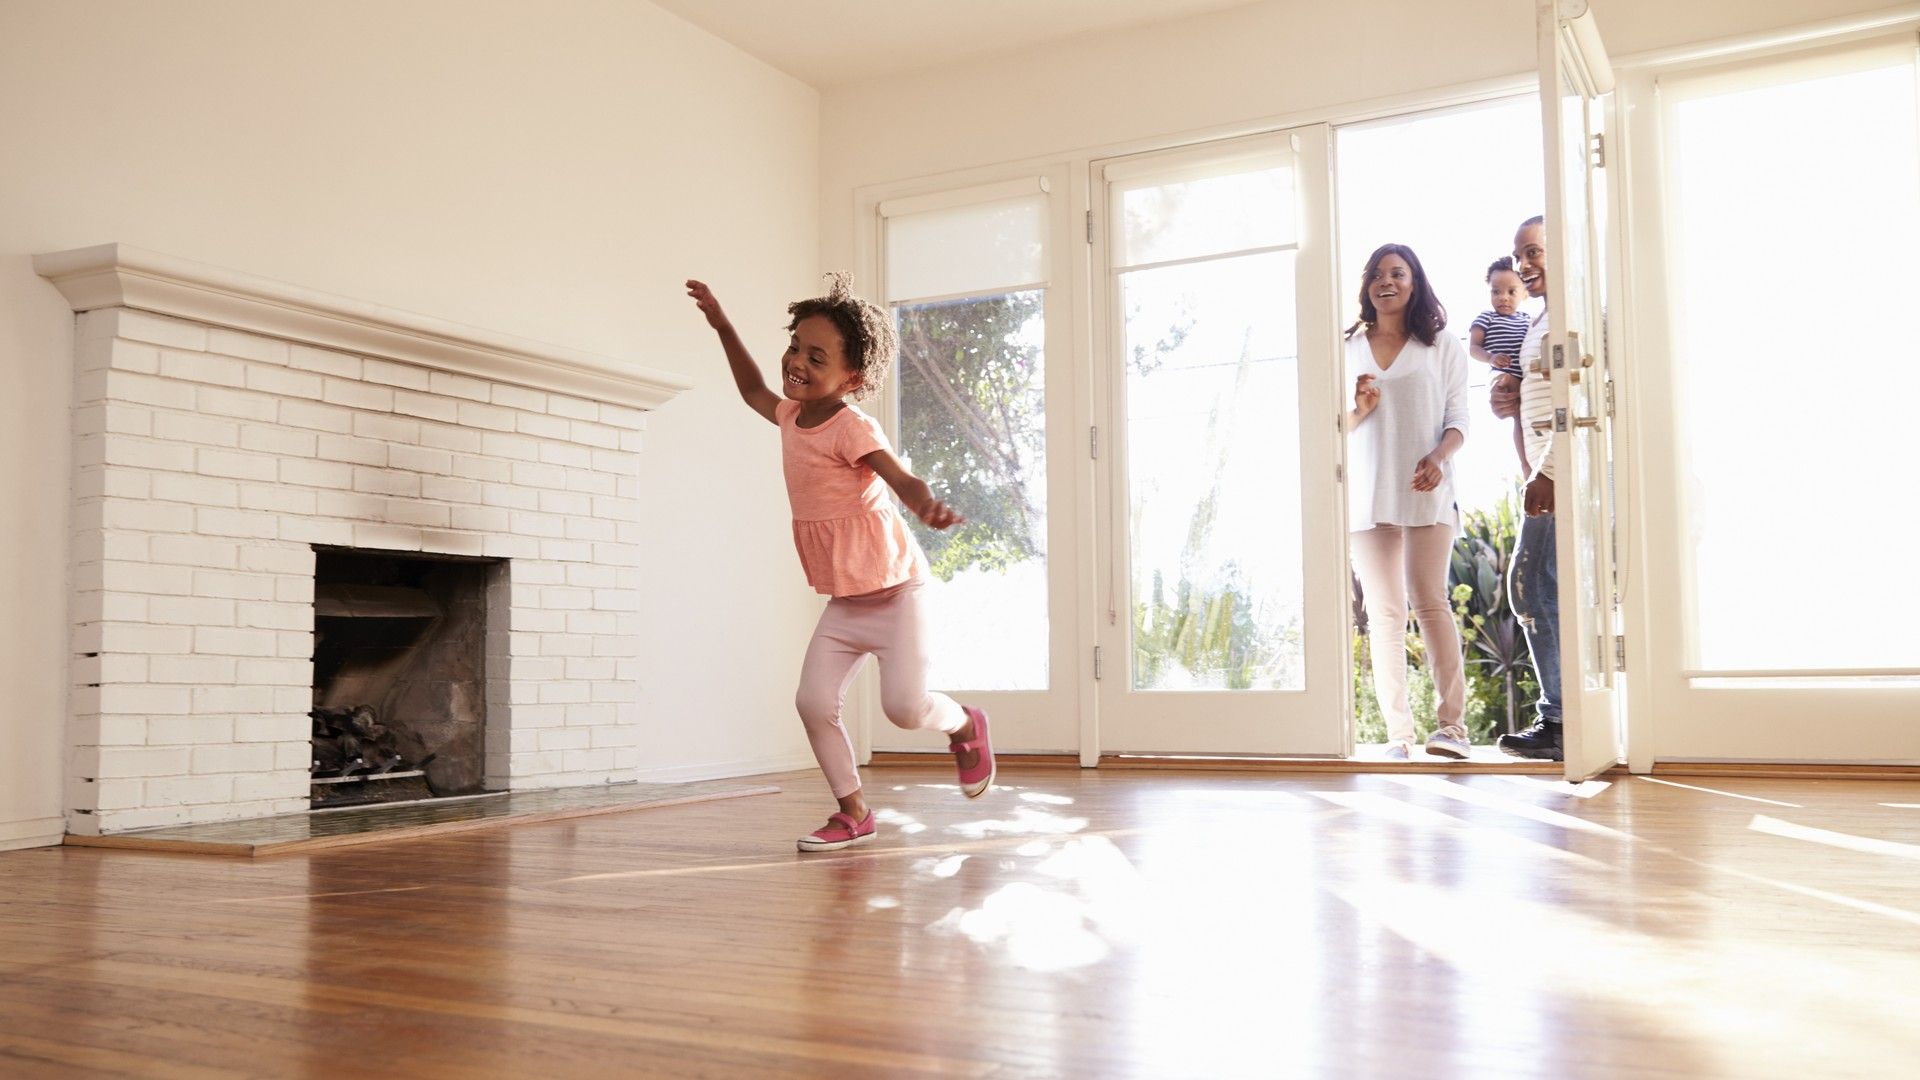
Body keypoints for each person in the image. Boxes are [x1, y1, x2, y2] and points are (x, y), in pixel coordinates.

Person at [686, 273, 995, 851]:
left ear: (851, 378)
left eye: (816, 356)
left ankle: (963, 724)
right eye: (795, 346)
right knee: (811, 703)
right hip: (846, 601)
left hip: (897, 593)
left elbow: (898, 476)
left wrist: (924, 501)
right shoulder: (787, 417)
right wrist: (723, 325)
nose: (796, 361)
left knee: (906, 709)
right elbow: (753, 390)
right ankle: (853, 811)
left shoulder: (851, 426)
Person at [1344, 244, 1473, 761]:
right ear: (1366, 286)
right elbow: (1336, 426)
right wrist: (1358, 408)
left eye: (1398, 273)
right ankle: (1398, 734)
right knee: (1384, 613)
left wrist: (1439, 457)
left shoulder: (1440, 343)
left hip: (1427, 485)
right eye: (1377, 275)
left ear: (1415, 282)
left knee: (1429, 601)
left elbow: (1460, 417)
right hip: (1367, 488)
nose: (1386, 282)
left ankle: (1452, 728)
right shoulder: (1348, 345)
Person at [1489, 217, 1562, 760]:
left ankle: (1560, 721)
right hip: (1545, 472)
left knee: (1532, 584)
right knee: (1533, 586)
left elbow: (1586, 396)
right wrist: (1510, 393)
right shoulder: (1542, 320)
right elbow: (1538, 395)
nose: (1524, 266)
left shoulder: (1582, 313)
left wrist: (1551, 470)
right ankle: (1560, 718)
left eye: (1534, 252)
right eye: (1520, 257)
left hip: (1566, 475)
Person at [1468, 257, 1531, 380]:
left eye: (1511, 291)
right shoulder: (1486, 318)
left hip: (1525, 380)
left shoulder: (1527, 320)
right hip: (1500, 377)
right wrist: (1490, 358)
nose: (1503, 297)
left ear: (1525, 293)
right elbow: (1474, 348)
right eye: (1496, 292)